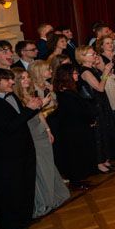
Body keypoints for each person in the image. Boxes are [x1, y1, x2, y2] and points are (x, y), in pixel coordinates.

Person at [0, 68, 44, 229]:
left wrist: (34, 108)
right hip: (8, 154)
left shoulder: (12, 95)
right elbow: (8, 127)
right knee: (12, 188)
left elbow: (20, 119)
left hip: (25, 147)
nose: (12, 82)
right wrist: (30, 109)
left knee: (27, 184)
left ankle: (25, 218)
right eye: (7, 80)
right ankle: (13, 224)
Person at [11, 67, 69, 217]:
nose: (27, 80)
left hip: (40, 131)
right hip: (31, 132)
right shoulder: (15, 97)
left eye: (27, 77)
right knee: (39, 166)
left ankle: (53, 196)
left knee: (48, 164)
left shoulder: (29, 93)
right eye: (22, 78)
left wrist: (48, 130)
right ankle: (43, 201)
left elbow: (39, 114)